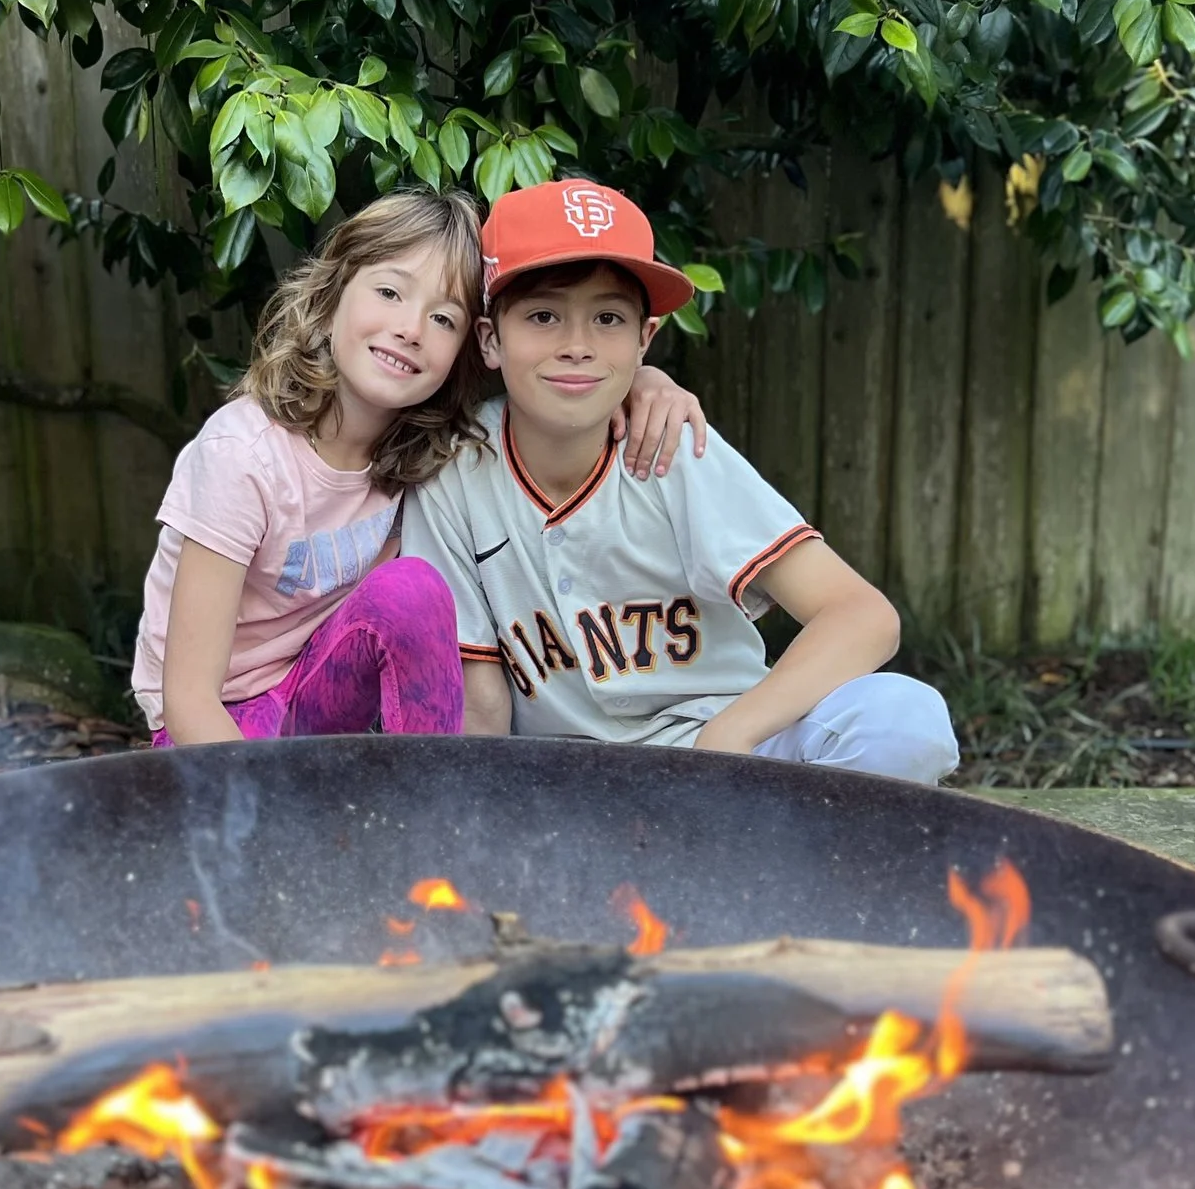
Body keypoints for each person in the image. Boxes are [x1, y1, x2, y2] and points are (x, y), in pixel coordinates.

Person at [401, 179, 958, 782]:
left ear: (645, 339)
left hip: (730, 755)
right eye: (543, 316)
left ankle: (787, 847)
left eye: (608, 318)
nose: (578, 346)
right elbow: (479, 702)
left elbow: (863, 615)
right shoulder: (455, 473)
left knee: (904, 719)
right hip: (566, 786)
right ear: (490, 339)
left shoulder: (672, 444)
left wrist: (731, 736)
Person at [133, 189, 713, 745]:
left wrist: (643, 380)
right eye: (390, 292)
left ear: (468, 348)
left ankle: (434, 795)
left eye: (443, 320)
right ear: (331, 296)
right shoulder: (243, 456)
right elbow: (189, 701)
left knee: (410, 590)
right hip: (218, 718)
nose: (411, 330)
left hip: (319, 696)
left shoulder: (429, 454)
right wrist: (256, 803)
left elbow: (553, 386)